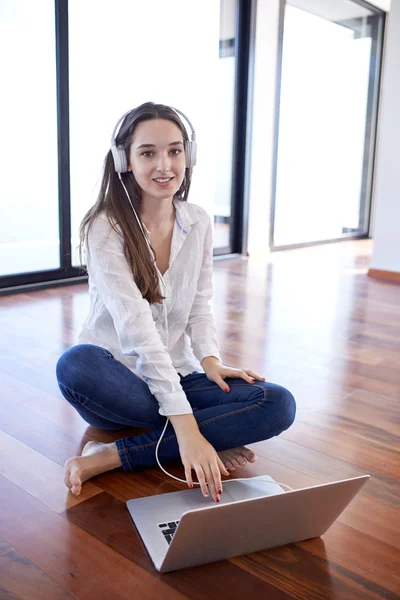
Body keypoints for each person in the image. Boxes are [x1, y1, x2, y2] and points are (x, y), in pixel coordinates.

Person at [56, 102, 296, 503]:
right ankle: (201, 434)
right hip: (117, 380)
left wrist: (211, 362)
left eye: (175, 150)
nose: (164, 164)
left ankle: (111, 456)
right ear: (125, 161)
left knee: (277, 404)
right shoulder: (105, 227)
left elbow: (200, 305)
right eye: (148, 152)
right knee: (75, 365)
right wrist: (191, 429)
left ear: (189, 155)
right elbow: (137, 331)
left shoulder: (198, 221)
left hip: (180, 373)